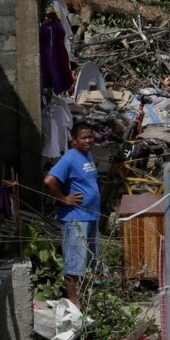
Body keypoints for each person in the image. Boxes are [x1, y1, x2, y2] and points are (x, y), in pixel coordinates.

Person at [43, 123, 101, 309]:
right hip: (76, 218)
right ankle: (74, 303)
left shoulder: (88, 155)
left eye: (90, 137)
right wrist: (64, 199)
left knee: (88, 263)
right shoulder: (69, 158)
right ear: (74, 141)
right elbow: (49, 180)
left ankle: (84, 301)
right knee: (74, 264)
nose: (88, 141)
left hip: (90, 217)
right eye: (83, 138)